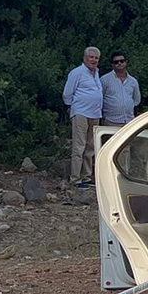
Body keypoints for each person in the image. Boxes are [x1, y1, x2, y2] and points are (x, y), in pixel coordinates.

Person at [62, 47, 104, 189]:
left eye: (96, 58)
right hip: (81, 113)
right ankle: (75, 178)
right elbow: (67, 93)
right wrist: (71, 107)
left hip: (95, 113)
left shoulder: (97, 73)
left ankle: (86, 176)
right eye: (91, 57)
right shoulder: (77, 73)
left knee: (90, 147)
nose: (93, 60)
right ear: (85, 58)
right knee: (79, 146)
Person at [100, 50, 141, 128]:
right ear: (112, 64)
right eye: (116, 62)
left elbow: (136, 100)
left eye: (122, 61)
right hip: (111, 121)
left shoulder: (133, 81)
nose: (119, 63)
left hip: (129, 121)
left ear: (126, 62)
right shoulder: (104, 79)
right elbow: (99, 99)